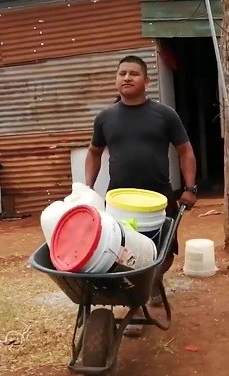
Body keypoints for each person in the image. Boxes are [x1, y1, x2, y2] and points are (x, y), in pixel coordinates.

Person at [85, 55, 198, 336]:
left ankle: (151, 283)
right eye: (122, 73)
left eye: (134, 73)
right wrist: (87, 189)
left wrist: (190, 187)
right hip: (120, 204)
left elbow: (185, 150)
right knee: (120, 253)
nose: (126, 78)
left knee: (165, 252)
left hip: (158, 199)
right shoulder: (106, 118)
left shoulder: (164, 114)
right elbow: (93, 152)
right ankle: (134, 303)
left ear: (146, 81)